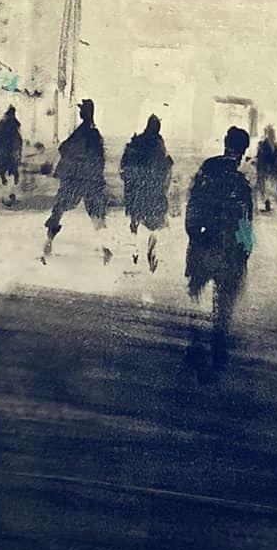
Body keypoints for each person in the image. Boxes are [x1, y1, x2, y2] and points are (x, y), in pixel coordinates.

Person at [184, 126, 254, 371]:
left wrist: (194, 234)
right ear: (243, 151)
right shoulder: (241, 183)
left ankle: (195, 344)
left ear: (225, 142)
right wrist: (245, 252)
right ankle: (218, 347)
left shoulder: (208, 168)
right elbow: (246, 222)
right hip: (229, 250)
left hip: (204, 243)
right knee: (223, 304)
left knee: (196, 294)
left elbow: (194, 203)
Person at [42, 99, 110, 262]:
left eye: (81, 110)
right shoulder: (94, 133)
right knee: (96, 215)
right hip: (91, 180)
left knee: (59, 209)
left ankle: (48, 245)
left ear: (85, 113)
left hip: (75, 179)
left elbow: (64, 148)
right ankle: (105, 249)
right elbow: (100, 158)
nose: (79, 112)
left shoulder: (81, 132)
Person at [120, 113, 173, 269]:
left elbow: (125, 165)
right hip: (153, 190)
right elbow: (165, 167)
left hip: (137, 190)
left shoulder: (137, 141)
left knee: (134, 221)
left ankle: (135, 249)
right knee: (155, 224)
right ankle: (152, 249)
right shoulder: (158, 143)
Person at [0, 103, 23, 202]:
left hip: (6, 148)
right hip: (10, 148)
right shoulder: (14, 124)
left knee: (4, 167)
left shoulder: (7, 123)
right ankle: (11, 182)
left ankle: (7, 182)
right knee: (12, 167)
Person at [253, 124, 277, 211]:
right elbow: (260, 158)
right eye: (270, 133)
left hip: (273, 171)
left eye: (273, 133)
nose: (272, 135)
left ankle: (270, 202)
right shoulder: (262, 145)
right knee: (265, 188)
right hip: (264, 170)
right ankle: (266, 202)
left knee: (272, 188)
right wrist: (260, 170)